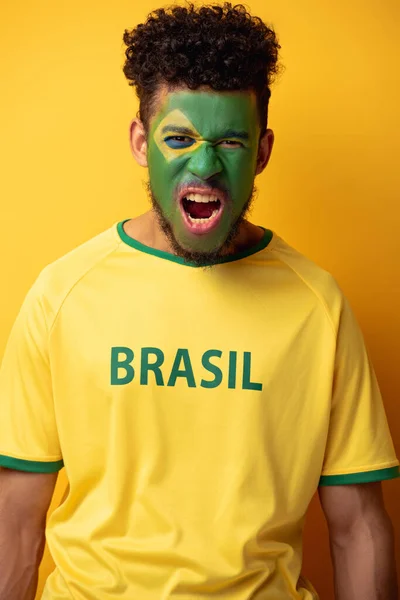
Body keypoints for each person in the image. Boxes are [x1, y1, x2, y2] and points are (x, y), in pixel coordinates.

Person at [0, 2, 398, 599]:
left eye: (230, 142)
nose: (205, 166)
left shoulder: (317, 303)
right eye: (180, 138)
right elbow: (15, 516)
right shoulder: (63, 294)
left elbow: (359, 527)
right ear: (141, 142)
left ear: (262, 151)